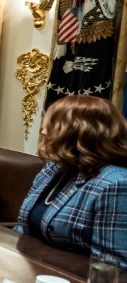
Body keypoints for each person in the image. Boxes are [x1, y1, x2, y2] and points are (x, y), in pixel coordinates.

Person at [16, 95, 127, 266]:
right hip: (33, 269)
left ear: (73, 133)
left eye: (51, 125)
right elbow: (23, 226)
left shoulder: (115, 184)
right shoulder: (55, 168)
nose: (44, 130)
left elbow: (112, 267)